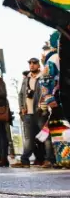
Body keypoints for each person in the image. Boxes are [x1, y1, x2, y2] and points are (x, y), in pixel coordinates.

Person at [34, 32, 70, 168]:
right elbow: (46, 79)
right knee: (62, 130)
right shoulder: (55, 58)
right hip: (60, 99)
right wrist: (49, 97)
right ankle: (65, 159)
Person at [14, 57, 54, 168]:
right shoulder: (26, 79)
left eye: (34, 63)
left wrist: (45, 107)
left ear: (38, 65)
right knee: (28, 138)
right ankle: (24, 160)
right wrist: (22, 107)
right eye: (30, 63)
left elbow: (48, 92)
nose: (32, 65)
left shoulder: (43, 77)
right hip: (27, 113)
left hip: (40, 112)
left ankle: (49, 160)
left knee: (46, 137)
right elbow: (21, 94)